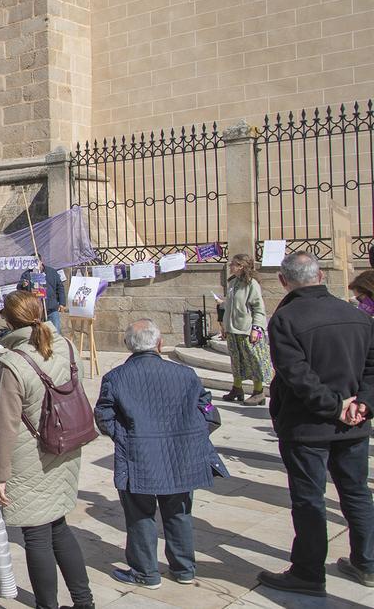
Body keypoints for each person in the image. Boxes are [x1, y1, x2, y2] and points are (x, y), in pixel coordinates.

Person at [257, 252, 374, 595]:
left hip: (308, 425)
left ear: (283, 281)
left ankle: (308, 572)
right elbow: (371, 369)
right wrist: (361, 405)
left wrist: (337, 407)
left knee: (310, 499)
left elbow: (296, 375)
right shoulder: (356, 314)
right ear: (321, 276)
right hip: (352, 422)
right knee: (356, 493)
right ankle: (367, 562)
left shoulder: (285, 318)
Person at [95, 319, 229, 589]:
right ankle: (183, 569)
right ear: (159, 344)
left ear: (128, 346)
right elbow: (208, 411)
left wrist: (126, 437)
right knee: (179, 512)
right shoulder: (185, 374)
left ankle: (146, 572)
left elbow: (103, 417)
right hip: (179, 455)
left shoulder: (116, 377)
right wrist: (191, 434)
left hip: (139, 455)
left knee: (140, 515)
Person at [0, 290, 94, 609]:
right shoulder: (64, 345)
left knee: (36, 535)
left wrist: (1, 475)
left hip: (31, 455)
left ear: (8, 321)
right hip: (65, 445)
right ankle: (83, 601)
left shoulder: (13, 363)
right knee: (58, 525)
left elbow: (7, 426)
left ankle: (46, 605)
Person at [219, 253, 272, 406]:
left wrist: (256, 328)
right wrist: (225, 325)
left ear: (241, 266)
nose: (230, 267)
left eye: (233, 264)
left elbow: (258, 307)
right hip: (232, 329)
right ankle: (237, 389)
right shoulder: (233, 283)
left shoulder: (251, 284)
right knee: (236, 360)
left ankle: (258, 392)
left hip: (247, 329)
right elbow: (230, 305)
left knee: (253, 361)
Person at [17, 260, 67, 334]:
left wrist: (62, 303)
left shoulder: (52, 272)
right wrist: (23, 285)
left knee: (55, 333)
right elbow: (19, 289)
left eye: (36, 263)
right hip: (36, 311)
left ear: (41, 262)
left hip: (51, 309)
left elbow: (60, 287)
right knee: (39, 334)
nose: (35, 265)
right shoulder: (26, 274)